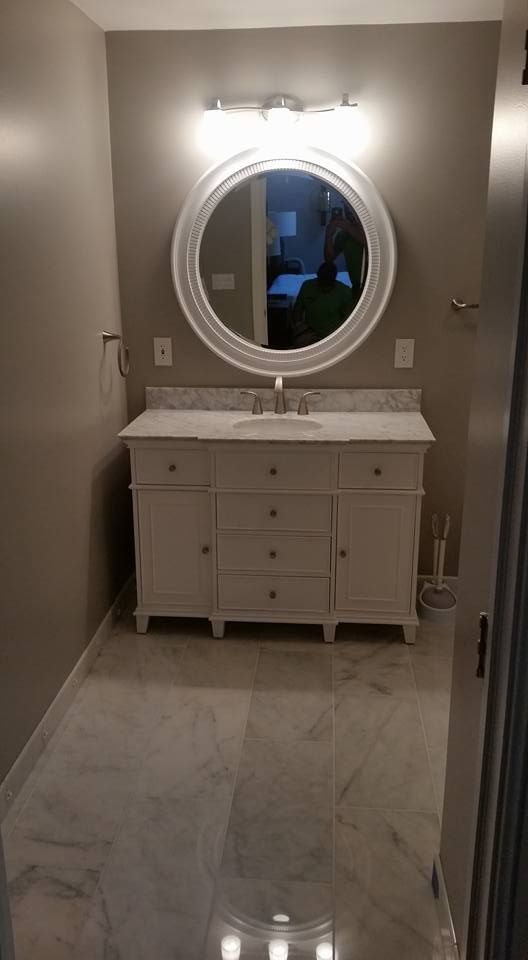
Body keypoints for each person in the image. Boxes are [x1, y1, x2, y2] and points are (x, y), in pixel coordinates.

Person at [291, 261, 354, 346]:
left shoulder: (344, 292)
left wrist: (336, 335)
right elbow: (297, 310)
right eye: (322, 281)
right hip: (310, 333)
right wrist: (300, 327)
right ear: (318, 276)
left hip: (333, 336)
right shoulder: (307, 286)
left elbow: (348, 319)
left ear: (334, 279)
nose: (325, 285)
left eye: (328, 283)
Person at [324, 205, 366, 302]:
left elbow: (368, 242)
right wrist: (329, 236)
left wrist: (347, 226)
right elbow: (329, 259)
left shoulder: (371, 228)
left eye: (351, 208)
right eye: (346, 207)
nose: (348, 211)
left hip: (373, 282)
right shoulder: (343, 235)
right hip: (356, 286)